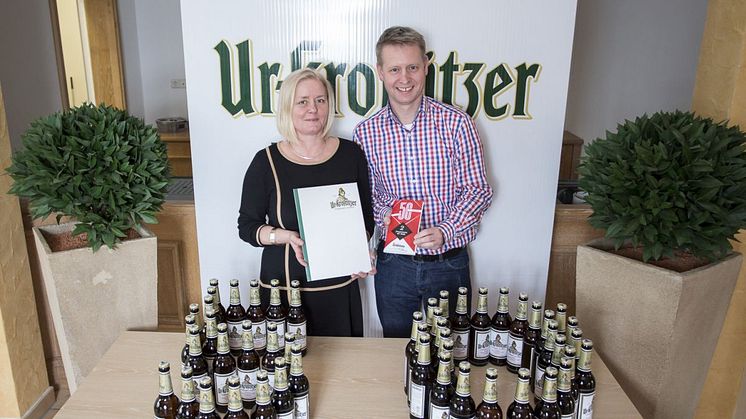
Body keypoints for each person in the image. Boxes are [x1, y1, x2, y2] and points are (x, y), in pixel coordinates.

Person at [353, 26, 493, 338]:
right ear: (381, 72)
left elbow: (478, 190)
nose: (404, 79)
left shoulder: (458, 124)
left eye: (412, 67)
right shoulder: (366, 133)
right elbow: (370, 196)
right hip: (394, 266)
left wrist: (447, 230)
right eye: (395, 69)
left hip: (448, 264)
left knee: (451, 353)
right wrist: (384, 215)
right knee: (396, 352)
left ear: (426, 67)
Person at [238, 68, 374, 337]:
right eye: (303, 101)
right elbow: (247, 228)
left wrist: (357, 251)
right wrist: (285, 236)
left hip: (338, 290)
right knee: (287, 371)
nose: (313, 109)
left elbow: (365, 220)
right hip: (285, 292)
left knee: (344, 370)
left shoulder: (351, 154)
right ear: (288, 107)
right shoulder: (266, 161)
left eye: (320, 100)